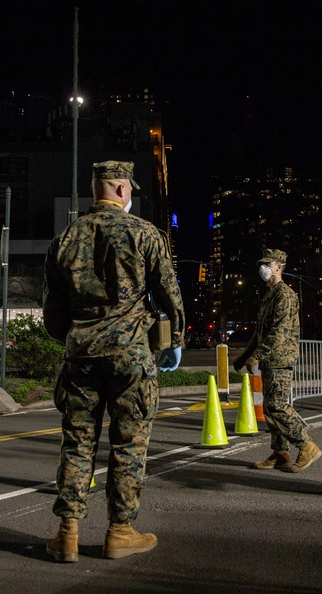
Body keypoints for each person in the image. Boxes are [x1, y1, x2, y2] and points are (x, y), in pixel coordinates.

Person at [42, 160, 185, 562]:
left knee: (77, 443)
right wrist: (173, 340)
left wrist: (75, 339)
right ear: (122, 190)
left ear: (95, 190)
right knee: (129, 443)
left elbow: (52, 314)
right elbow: (170, 296)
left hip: (80, 357)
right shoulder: (145, 234)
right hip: (130, 357)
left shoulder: (65, 238)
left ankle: (67, 531)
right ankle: (119, 530)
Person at [232, 248, 322, 473]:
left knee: (277, 405)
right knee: (270, 409)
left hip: (281, 358)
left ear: (279, 267)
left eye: (268, 263)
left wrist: (257, 355)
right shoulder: (268, 295)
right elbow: (260, 332)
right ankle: (280, 453)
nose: (263, 268)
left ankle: (307, 445)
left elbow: (279, 332)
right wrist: (244, 356)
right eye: (262, 263)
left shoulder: (285, 295)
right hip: (270, 360)